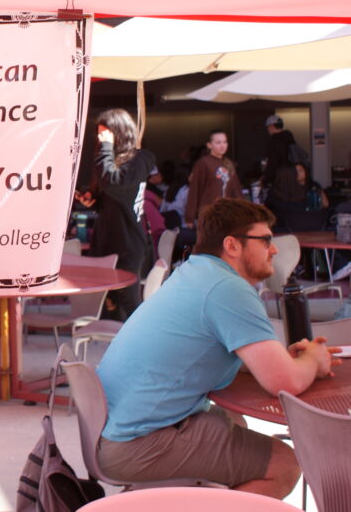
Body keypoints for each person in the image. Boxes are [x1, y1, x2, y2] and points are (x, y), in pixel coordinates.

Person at [97, 198, 340, 499]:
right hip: (138, 443)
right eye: (265, 240)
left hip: (117, 428)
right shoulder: (228, 289)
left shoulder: (194, 272)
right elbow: (285, 382)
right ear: (232, 246)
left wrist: (279, 360)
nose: (274, 249)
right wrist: (314, 360)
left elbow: (246, 359)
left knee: (233, 422)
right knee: (284, 464)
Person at [77, 109, 156, 320]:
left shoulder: (140, 160)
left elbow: (115, 183)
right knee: (108, 302)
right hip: (106, 241)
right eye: (100, 136)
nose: (102, 140)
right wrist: (94, 201)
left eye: (106, 135)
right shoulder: (111, 162)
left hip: (128, 244)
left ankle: (143, 342)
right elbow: (113, 198)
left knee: (129, 301)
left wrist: (105, 148)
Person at [184, 129, 243, 227]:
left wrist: (242, 210)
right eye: (218, 142)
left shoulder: (228, 163)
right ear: (209, 145)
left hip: (227, 214)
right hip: (208, 215)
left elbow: (236, 190)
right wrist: (190, 217)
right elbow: (195, 189)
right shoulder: (203, 163)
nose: (222, 145)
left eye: (225, 142)